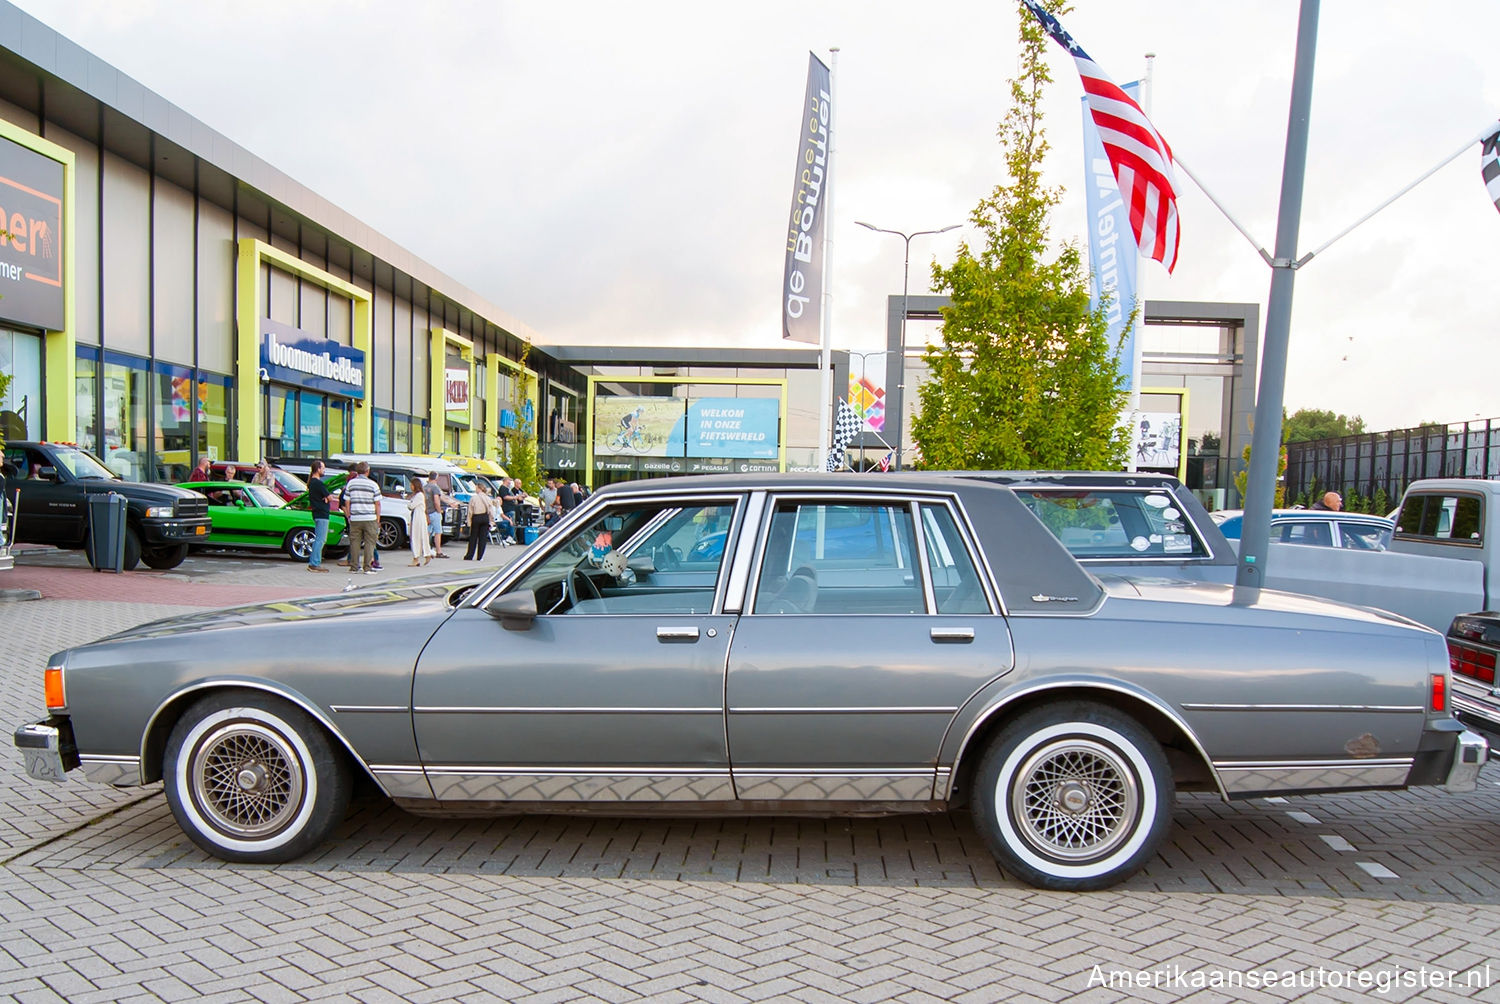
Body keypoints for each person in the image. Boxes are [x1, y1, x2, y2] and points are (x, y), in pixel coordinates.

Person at [341, 461, 382, 574]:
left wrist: (349, 514)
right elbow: (377, 503)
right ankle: (367, 567)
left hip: (355, 518)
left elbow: (347, 501)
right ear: (367, 471)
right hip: (370, 517)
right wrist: (378, 519)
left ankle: (354, 566)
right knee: (370, 542)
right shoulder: (373, 484)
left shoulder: (351, 484)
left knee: (355, 542)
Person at [423, 471, 460, 557]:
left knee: (427, 532)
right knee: (438, 532)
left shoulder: (424, 487)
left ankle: (426, 549)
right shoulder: (435, 488)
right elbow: (437, 500)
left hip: (427, 513)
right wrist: (439, 510)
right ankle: (438, 551)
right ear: (436, 478)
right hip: (434, 512)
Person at [306, 459, 334, 573]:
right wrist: (327, 498)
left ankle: (314, 562)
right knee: (321, 539)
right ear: (318, 469)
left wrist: (326, 498)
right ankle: (314, 563)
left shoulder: (312, 483)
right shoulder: (318, 483)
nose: (324, 470)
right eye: (323, 468)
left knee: (319, 538)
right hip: (322, 513)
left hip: (317, 512)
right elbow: (330, 497)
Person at [406, 475, 434, 566]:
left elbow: (411, 506)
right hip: (418, 517)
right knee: (421, 537)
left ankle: (418, 557)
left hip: (418, 518)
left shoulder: (418, 495)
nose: (410, 486)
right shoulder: (419, 495)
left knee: (415, 537)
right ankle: (425, 554)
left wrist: (409, 502)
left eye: (412, 484)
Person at [464, 480, 495, 560]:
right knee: (482, 538)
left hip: (476, 517)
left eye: (476, 488)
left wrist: (469, 522)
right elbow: (491, 511)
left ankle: (470, 555)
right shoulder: (488, 498)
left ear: (479, 488)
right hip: (485, 517)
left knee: (473, 537)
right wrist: (491, 521)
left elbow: (470, 511)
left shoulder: (474, 498)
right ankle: (480, 556)